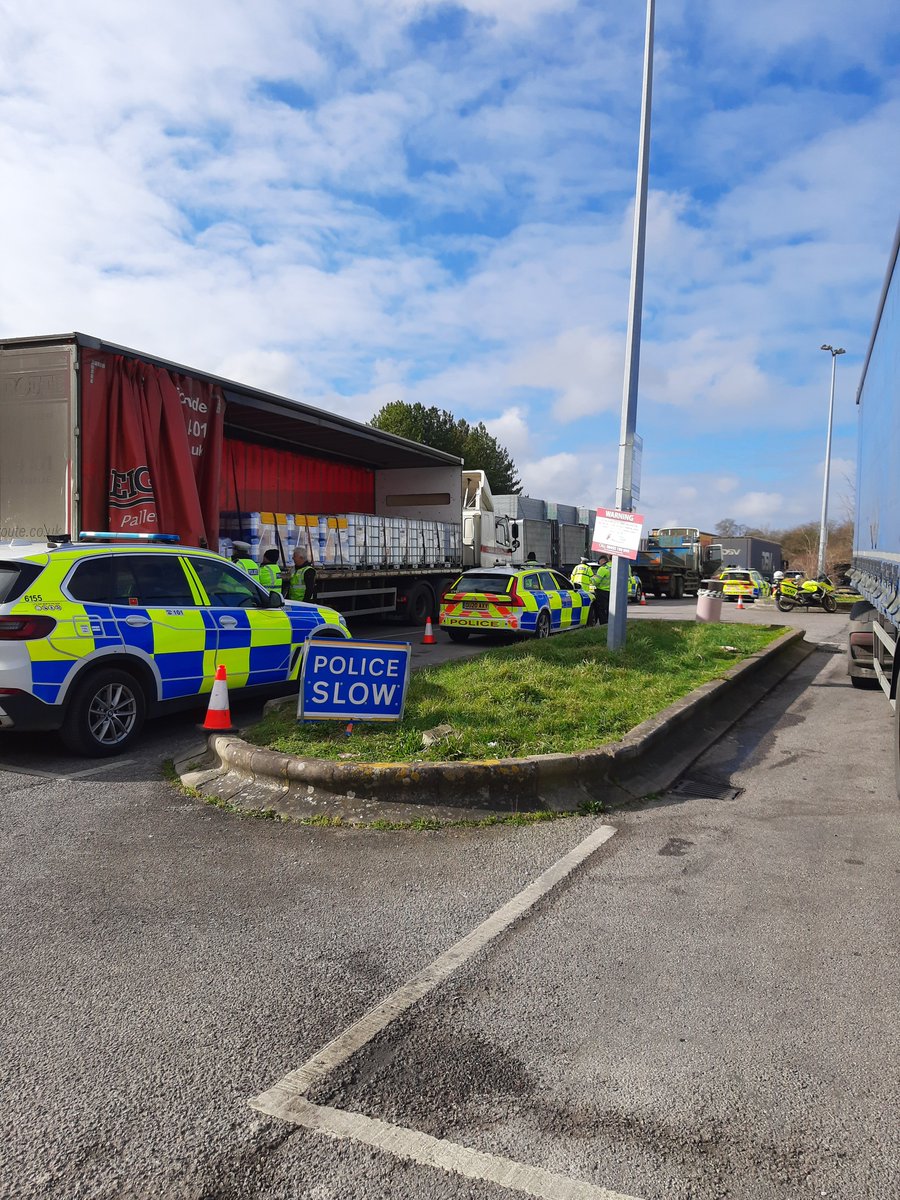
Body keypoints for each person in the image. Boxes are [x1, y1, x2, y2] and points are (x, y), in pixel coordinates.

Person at [593, 554, 612, 622]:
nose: (599, 564)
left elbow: (596, 581)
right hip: (612, 592)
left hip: (602, 591)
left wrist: (592, 579)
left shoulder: (603, 568)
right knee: (610, 609)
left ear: (602, 561)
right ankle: (610, 622)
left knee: (602, 610)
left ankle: (603, 624)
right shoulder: (616, 567)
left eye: (599, 562)